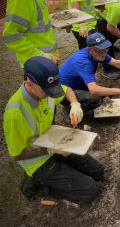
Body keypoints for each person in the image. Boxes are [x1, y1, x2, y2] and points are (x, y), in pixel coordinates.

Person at [3, 56, 104, 204]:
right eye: (47, 91)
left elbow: (67, 89)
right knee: (90, 191)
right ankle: (41, 183)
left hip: (55, 141)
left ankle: (57, 173)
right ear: (29, 84)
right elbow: (16, 156)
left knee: (98, 172)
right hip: (37, 160)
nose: (51, 94)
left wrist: (75, 104)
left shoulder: (46, 89)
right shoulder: (15, 114)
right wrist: (50, 150)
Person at [59, 32, 120, 112]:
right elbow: (93, 90)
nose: (104, 53)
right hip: (64, 93)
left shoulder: (97, 53)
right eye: (101, 50)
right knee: (96, 99)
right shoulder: (84, 63)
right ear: (90, 50)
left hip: (77, 85)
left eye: (105, 49)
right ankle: (69, 109)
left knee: (104, 94)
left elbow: (117, 63)